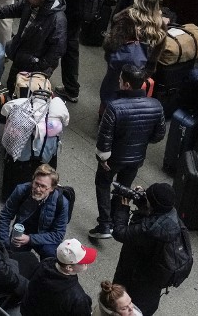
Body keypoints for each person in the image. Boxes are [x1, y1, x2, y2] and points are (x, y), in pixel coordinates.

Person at [90, 64, 167, 240]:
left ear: (126, 84)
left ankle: (104, 223)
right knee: (123, 188)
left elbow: (105, 136)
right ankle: (114, 220)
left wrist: (102, 157)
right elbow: (159, 135)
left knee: (103, 184)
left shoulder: (114, 107)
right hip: (136, 158)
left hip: (113, 158)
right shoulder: (156, 105)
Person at [109, 182, 183, 316]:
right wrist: (145, 200)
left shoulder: (149, 230)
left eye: (147, 199)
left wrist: (123, 208)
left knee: (120, 303)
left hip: (134, 277)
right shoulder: (170, 214)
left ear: (154, 205)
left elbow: (120, 233)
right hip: (153, 282)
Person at [20, 238, 96, 315]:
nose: (87, 263)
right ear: (69, 268)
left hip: (26, 310)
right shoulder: (77, 298)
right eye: (84, 262)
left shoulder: (45, 263)